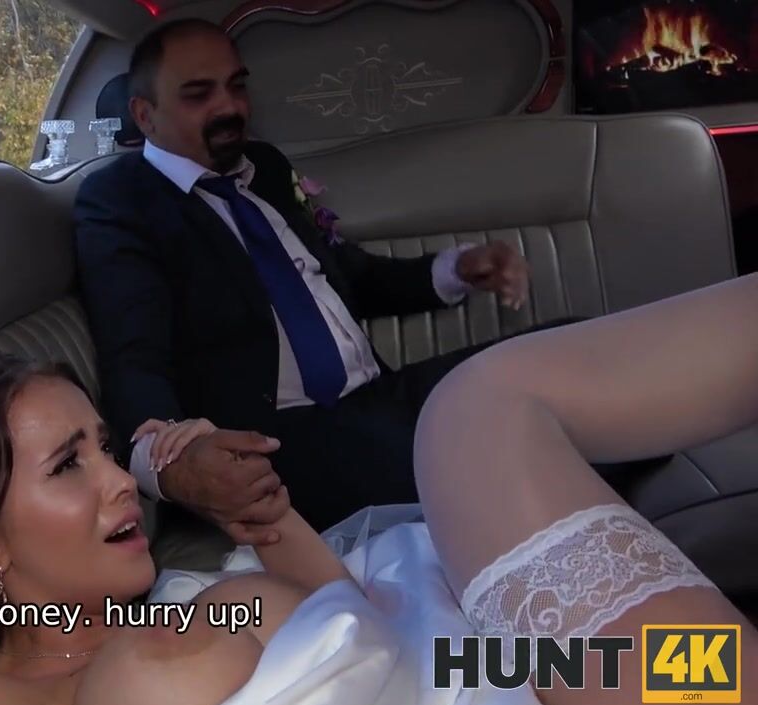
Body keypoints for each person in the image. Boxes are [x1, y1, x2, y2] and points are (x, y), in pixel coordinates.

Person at [0, 272, 758, 705]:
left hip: (484, 665)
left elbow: (360, 623)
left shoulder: (182, 608)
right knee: (477, 410)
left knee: (686, 666)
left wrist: (262, 519)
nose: (122, 481)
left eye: (107, 450)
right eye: (67, 466)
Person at [72, 18, 567, 539]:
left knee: (568, 358)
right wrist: (172, 465)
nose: (229, 107)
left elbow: (347, 275)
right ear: (144, 114)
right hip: (284, 440)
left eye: (237, 87)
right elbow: (133, 354)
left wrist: (457, 268)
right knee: (526, 445)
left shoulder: (263, 167)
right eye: (199, 95)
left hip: (381, 397)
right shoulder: (121, 199)